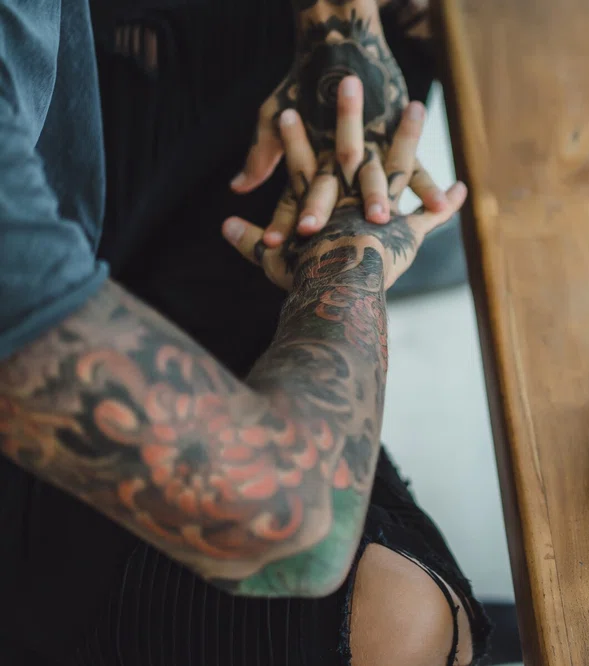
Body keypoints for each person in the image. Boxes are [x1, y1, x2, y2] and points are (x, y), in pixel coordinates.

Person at [0, 0, 492, 664]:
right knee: (401, 625)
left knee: (407, 18)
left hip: (71, 161)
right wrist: (352, 253)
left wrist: (336, 20)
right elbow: (292, 525)